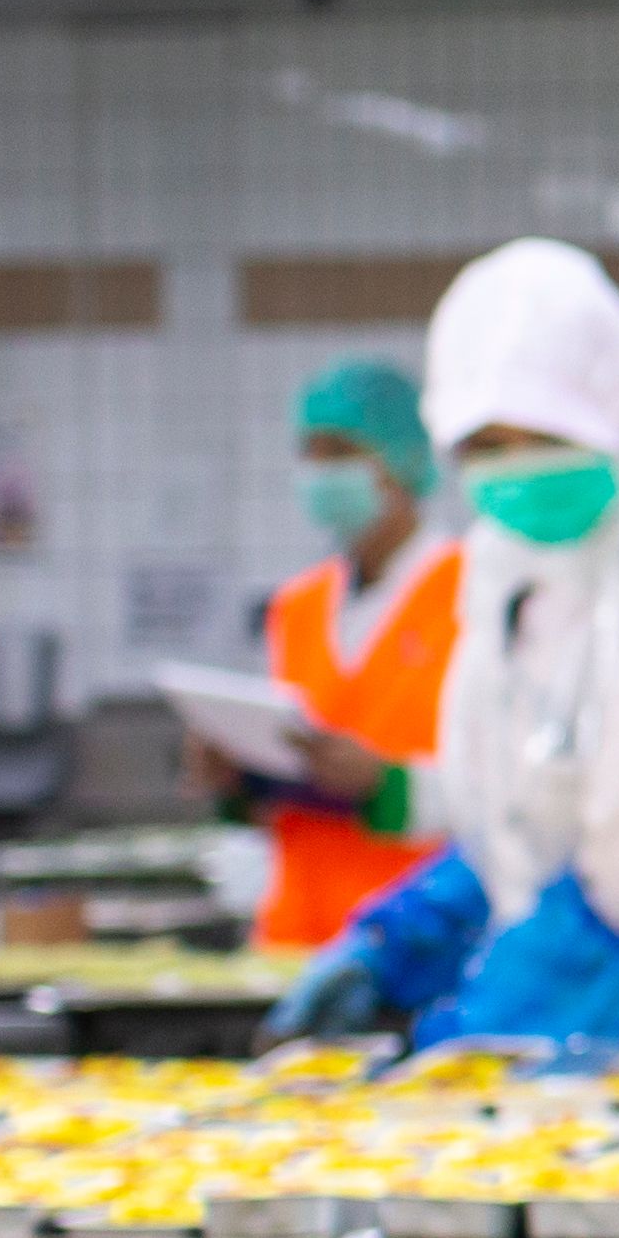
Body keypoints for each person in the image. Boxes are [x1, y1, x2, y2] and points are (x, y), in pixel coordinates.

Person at [261, 238, 619, 1071]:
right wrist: (407, 932)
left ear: (616, 409)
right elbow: (510, 809)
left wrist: (479, 1030)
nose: (512, 470)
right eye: (483, 446)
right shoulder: (514, 563)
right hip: (562, 986)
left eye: (541, 435)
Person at [233, 357, 460, 956]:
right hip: (298, 938)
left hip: (422, 939)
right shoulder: (297, 606)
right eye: (311, 453)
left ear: (403, 461)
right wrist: (238, 780)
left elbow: (510, 793)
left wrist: (387, 786)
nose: (321, 472)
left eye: (341, 452)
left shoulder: (474, 592)